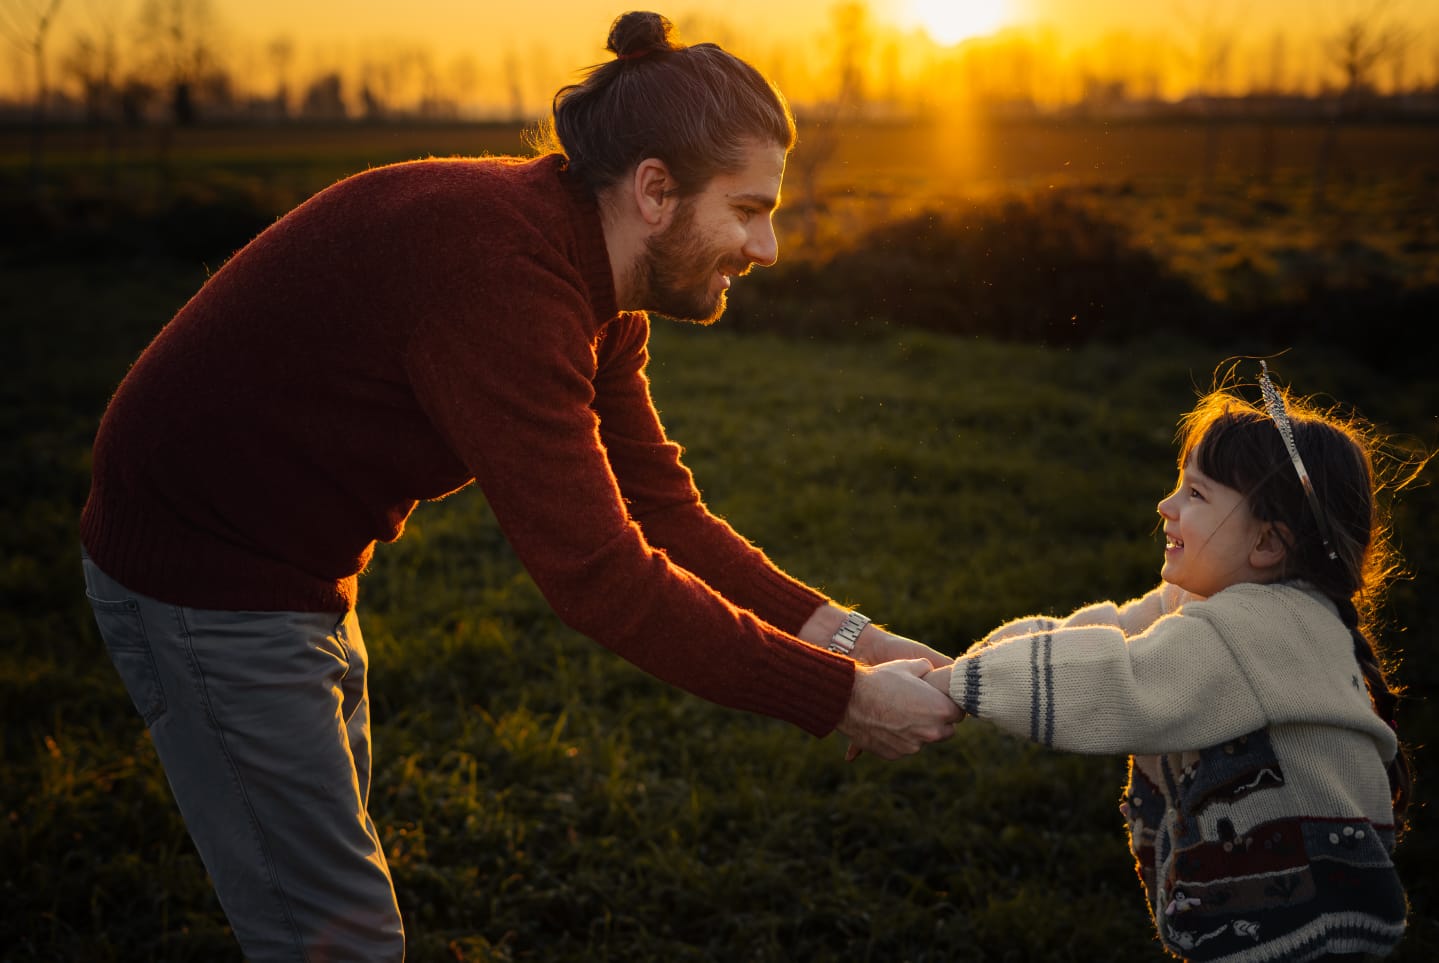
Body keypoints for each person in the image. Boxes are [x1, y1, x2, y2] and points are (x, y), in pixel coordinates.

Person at [79, 11, 960, 961]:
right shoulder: (503, 275)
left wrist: (851, 638)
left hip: (293, 569)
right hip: (202, 580)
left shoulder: (593, 282)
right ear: (655, 190)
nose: (767, 249)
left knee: (328, 903)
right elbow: (598, 576)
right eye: (748, 209)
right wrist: (844, 698)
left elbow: (663, 513)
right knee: (334, 940)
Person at [924, 361, 1424, 962]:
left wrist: (958, 686)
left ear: (1267, 543)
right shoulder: (1222, 607)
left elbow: (1117, 678)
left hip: (1299, 932)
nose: (1166, 506)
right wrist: (962, 666)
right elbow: (1104, 632)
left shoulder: (1253, 632)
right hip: (1286, 915)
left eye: (1195, 494)